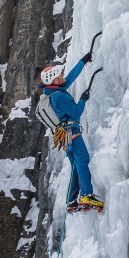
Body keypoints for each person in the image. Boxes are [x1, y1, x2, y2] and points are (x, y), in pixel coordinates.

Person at [41, 54, 104, 213]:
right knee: (82, 159)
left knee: (76, 165)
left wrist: (82, 62)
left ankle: (72, 201)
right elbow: (75, 113)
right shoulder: (60, 97)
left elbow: (69, 79)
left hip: (64, 137)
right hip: (72, 133)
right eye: (59, 75)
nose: (62, 76)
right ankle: (86, 196)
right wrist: (83, 99)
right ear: (55, 80)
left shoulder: (53, 92)